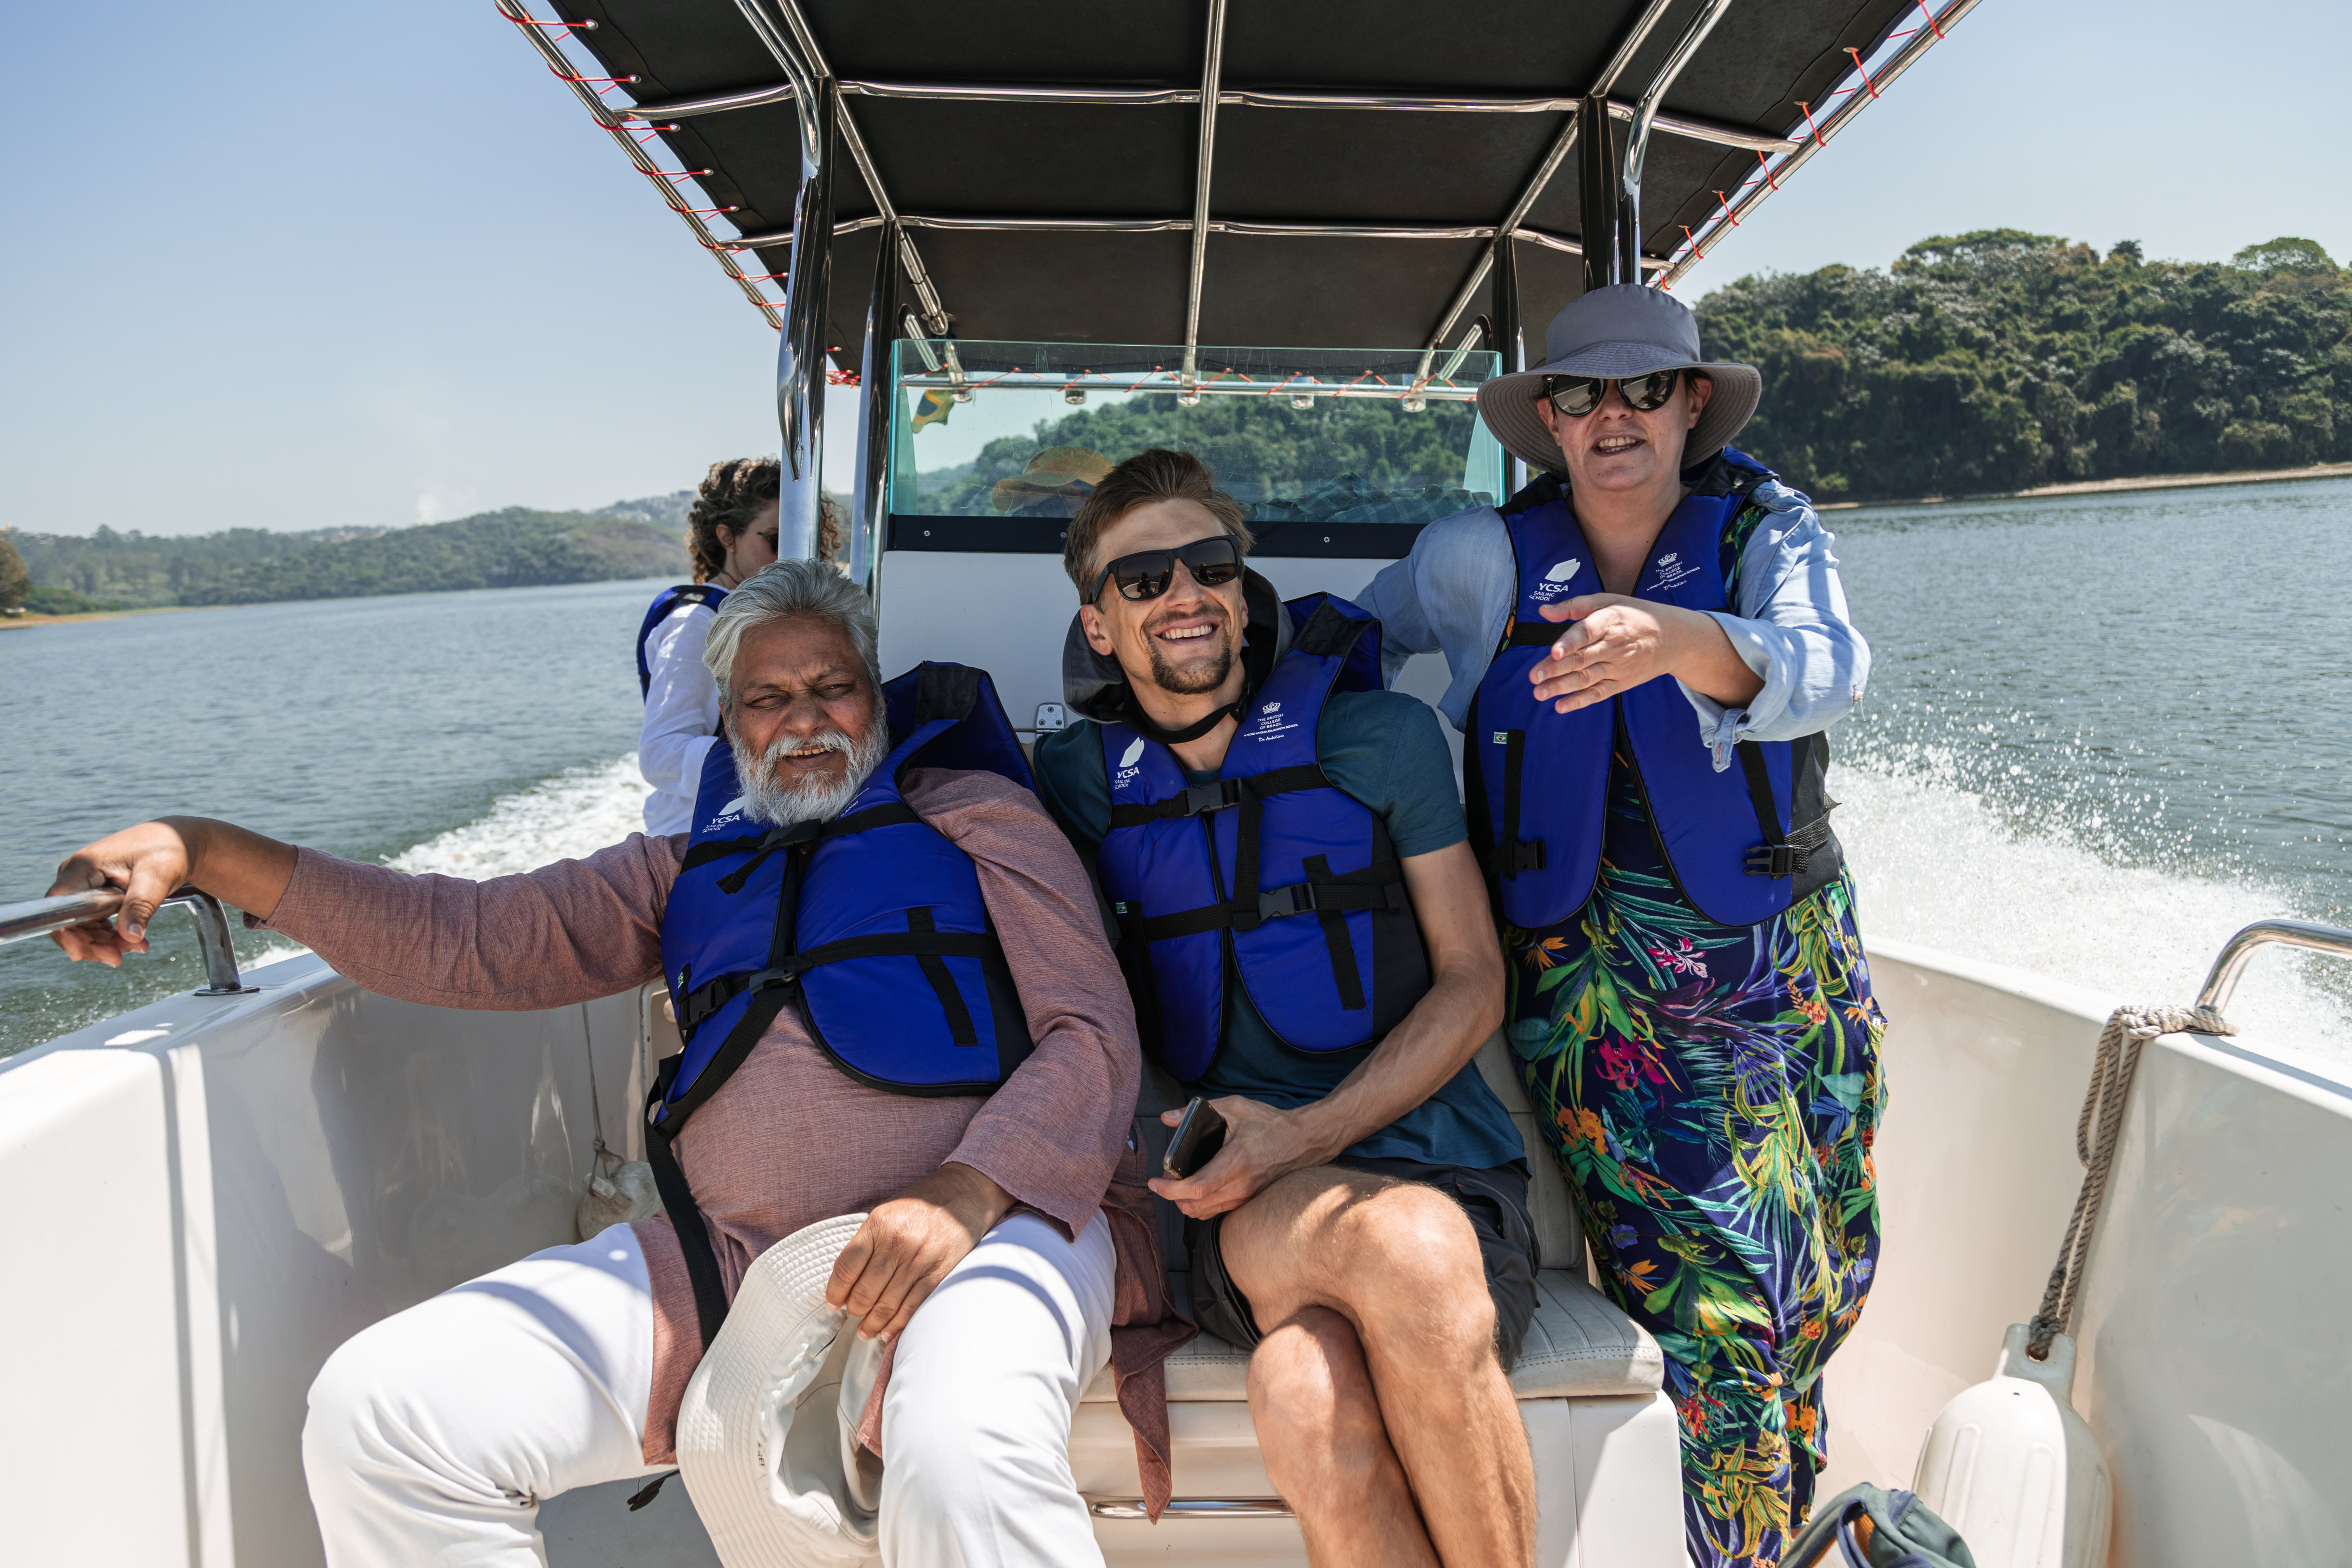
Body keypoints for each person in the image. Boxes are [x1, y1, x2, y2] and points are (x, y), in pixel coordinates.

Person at [50, 559, 1187, 1568]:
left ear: (874, 699)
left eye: (832, 687)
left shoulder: (978, 818)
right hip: (740, 1259)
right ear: (732, 725)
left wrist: (963, 1190)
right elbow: (467, 936)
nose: (804, 721)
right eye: (766, 699)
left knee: (958, 1445)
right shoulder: (683, 869)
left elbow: (1092, 1034)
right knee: (384, 1410)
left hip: (1004, 1220)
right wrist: (204, 849)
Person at [1357, 283, 1885, 1568]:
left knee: (1830, 1269)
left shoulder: (1766, 525)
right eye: (1581, 393)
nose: (1612, 417)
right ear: (1546, 417)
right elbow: (1352, 645)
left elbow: (1830, 663)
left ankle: (1782, 1500)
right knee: (1718, 1309)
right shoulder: (1480, 554)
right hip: (1603, 990)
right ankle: (1747, 1549)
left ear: (1690, 401)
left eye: (1644, 388)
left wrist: (1677, 639)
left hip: (1789, 959)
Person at [1032, 449, 1538, 1568]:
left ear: (1241, 588)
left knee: (1304, 1389)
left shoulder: (1383, 741)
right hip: (1238, 1207)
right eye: (1142, 577)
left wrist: (1303, 1135)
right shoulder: (1074, 786)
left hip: (1440, 1168)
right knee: (1402, 1249)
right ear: (1100, 626)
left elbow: (1474, 979)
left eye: (1205, 564)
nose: (1182, 593)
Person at [637, 458, 778, 836]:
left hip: (749, 820)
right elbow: (661, 753)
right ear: (727, 536)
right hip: (694, 835)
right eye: (776, 539)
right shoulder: (696, 623)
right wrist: (775, 755)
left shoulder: (758, 612)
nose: (788, 554)